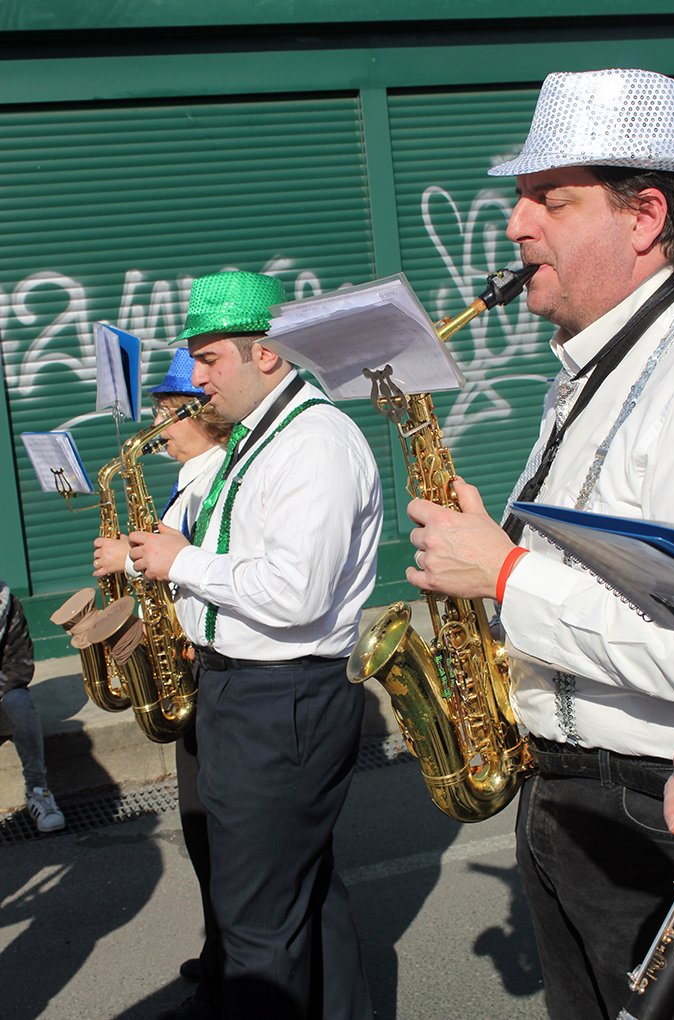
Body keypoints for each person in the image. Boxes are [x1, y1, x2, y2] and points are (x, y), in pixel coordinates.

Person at [405, 68, 674, 1020]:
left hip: (642, 811)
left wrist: (507, 573)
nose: (516, 227)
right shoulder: (589, 368)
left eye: (548, 200)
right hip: (563, 793)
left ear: (644, 216)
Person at [128, 270, 382, 1020]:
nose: (196, 379)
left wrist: (183, 563)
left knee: (257, 929)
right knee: (301, 897)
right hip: (254, 693)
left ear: (265, 352)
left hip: (282, 698)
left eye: (208, 360)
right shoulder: (260, 436)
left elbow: (295, 593)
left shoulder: (314, 443)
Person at [93, 347, 231, 1019]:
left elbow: (207, 569)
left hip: (215, 677)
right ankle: (219, 953)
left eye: (168, 412)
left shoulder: (218, 478)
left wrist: (137, 559)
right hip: (189, 674)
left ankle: (230, 974)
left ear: (205, 415)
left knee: (223, 839)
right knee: (201, 832)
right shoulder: (188, 480)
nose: (157, 423)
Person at [0, 577, 65, 833]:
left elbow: (19, 668)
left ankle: (39, 792)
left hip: (3, 703)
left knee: (20, 701)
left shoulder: (8, 605)